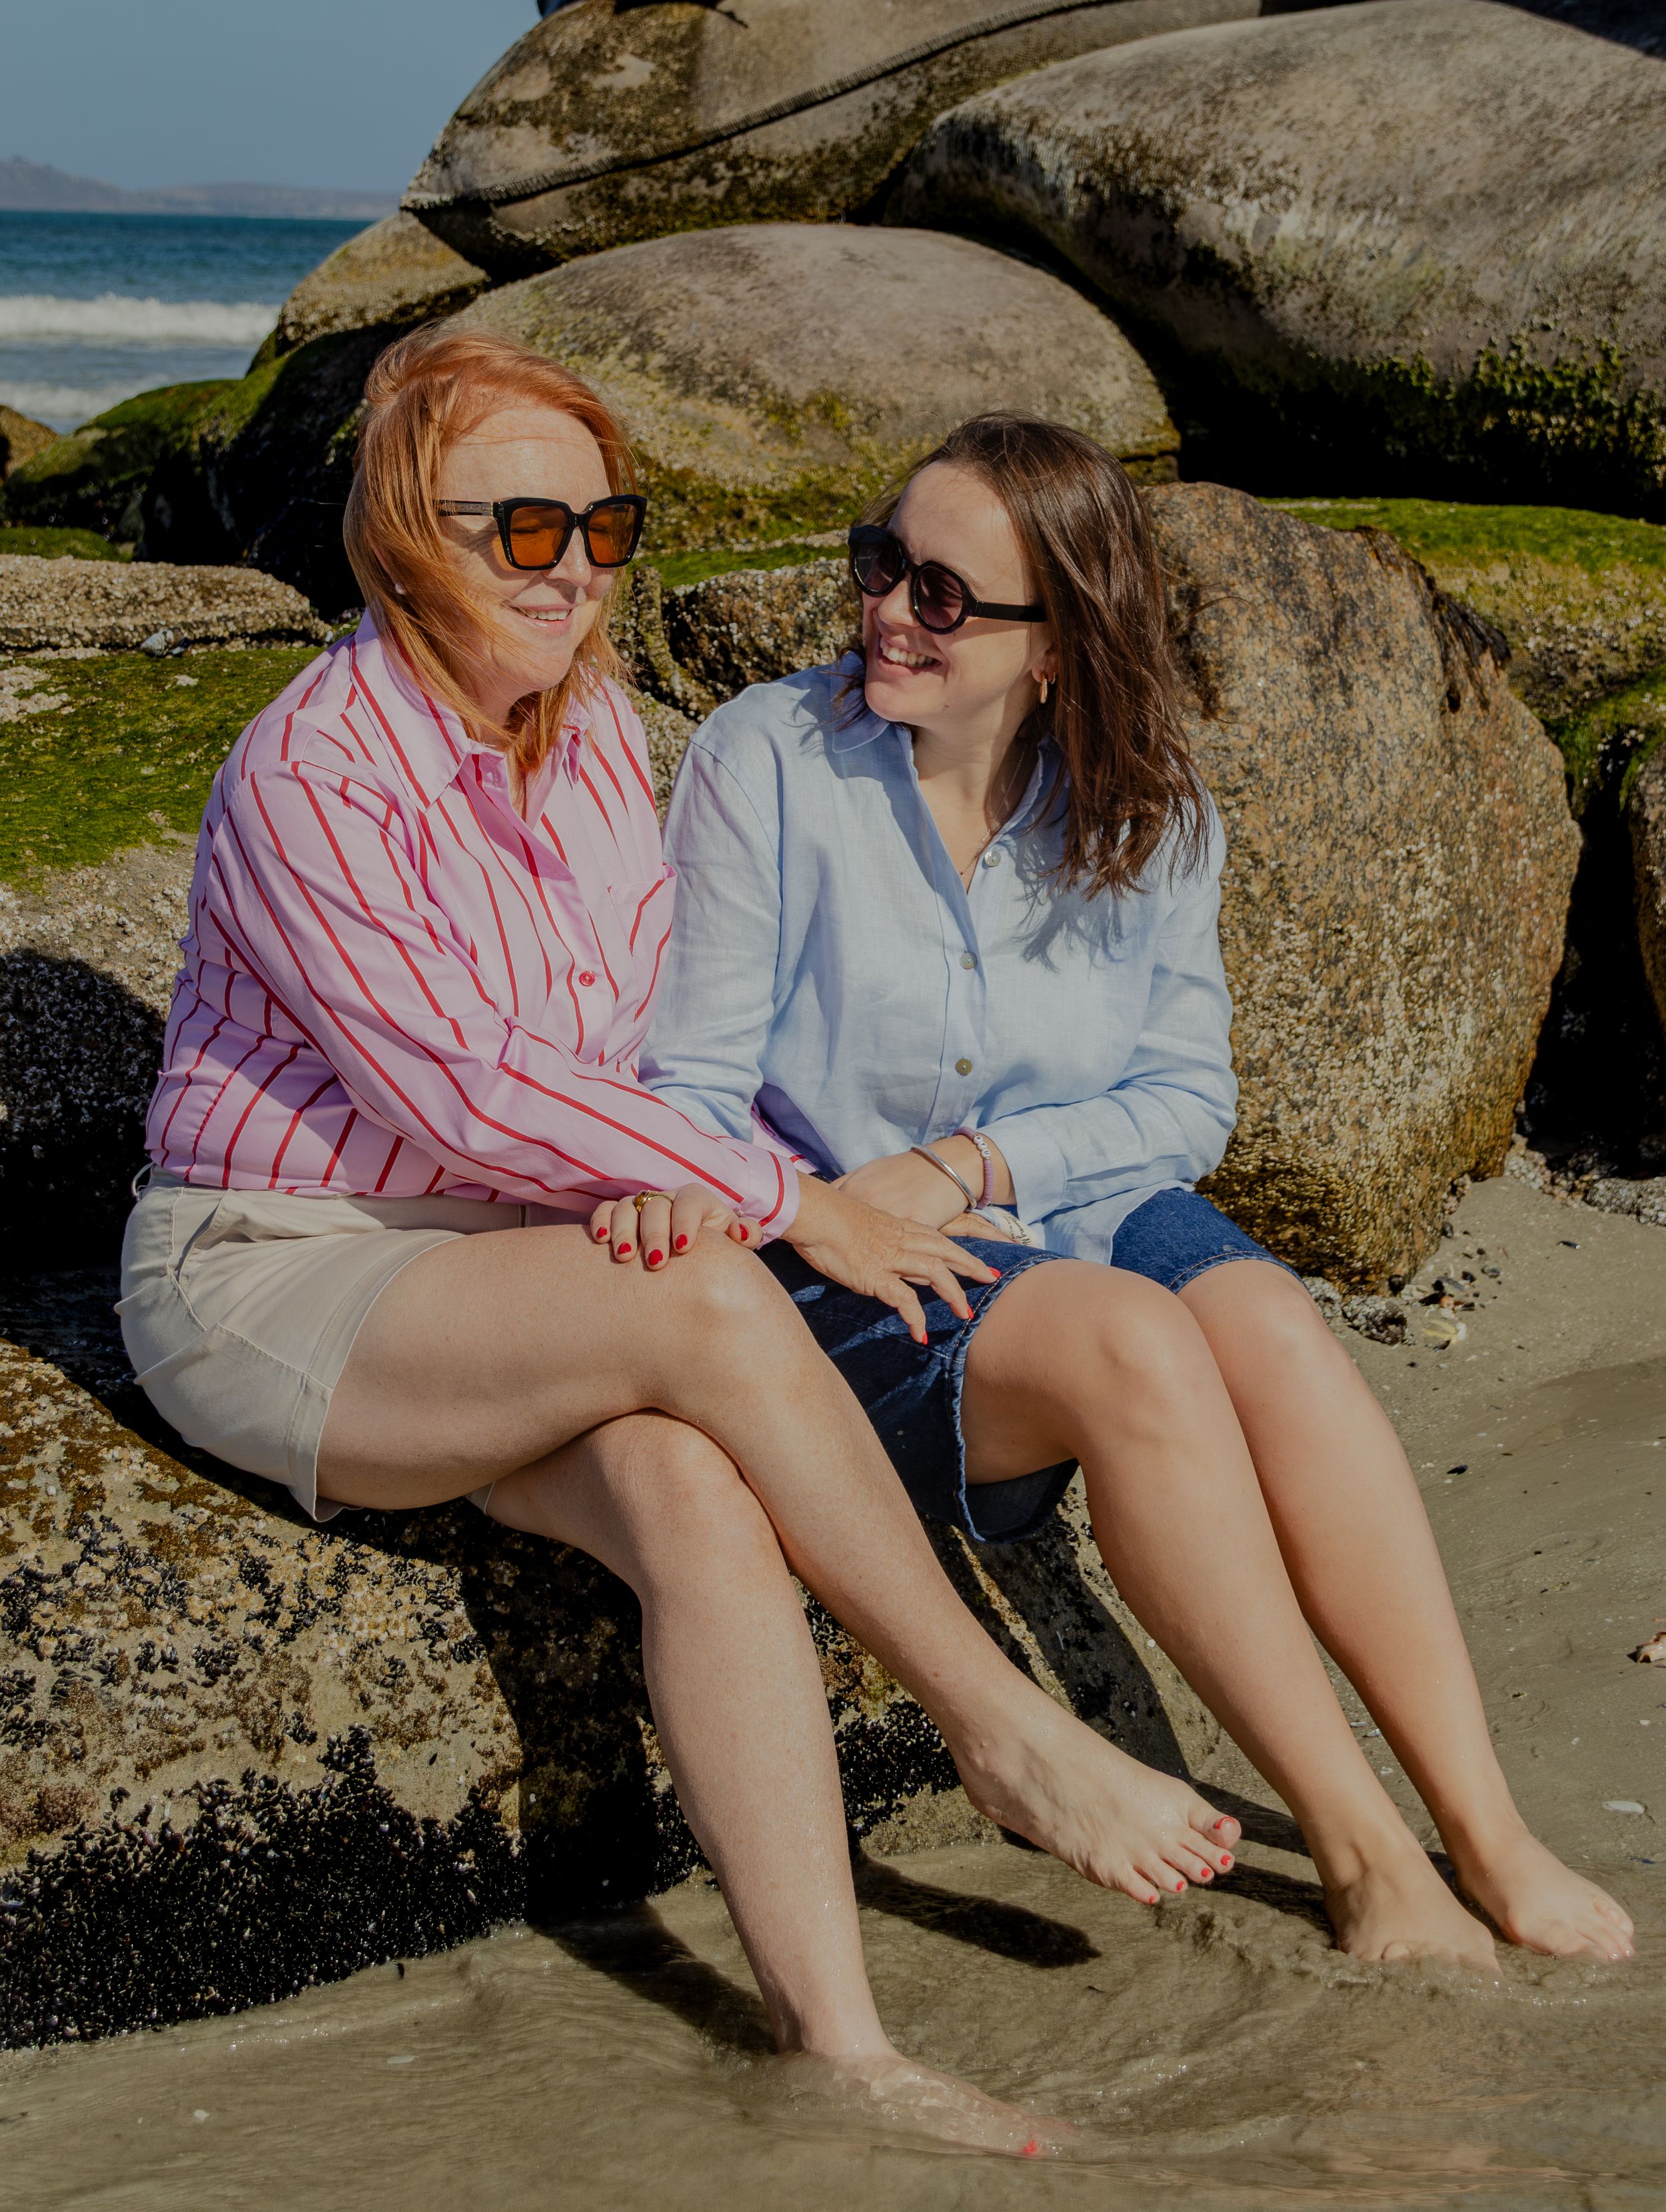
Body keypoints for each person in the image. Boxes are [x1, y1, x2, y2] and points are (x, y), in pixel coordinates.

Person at [116, 331, 1249, 2155]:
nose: (571, 563)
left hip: (516, 1268)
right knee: (724, 1295)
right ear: (405, 531)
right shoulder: (312, 767)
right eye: (521, 523)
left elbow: (647, 1058)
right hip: (287, 1266)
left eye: (605, 522)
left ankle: (840, 2043)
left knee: (700, 1503)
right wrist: (778, 1196)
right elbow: (473, 1090)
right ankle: (994, 1719)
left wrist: (675, 1164)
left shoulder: (585, 754)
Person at [645, 411, 1635, 1970]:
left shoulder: (1145, 807)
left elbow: (1186, 1103)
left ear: (1058, 646)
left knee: (1271, 1329)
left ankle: (1485, 1826)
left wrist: (978, 1162)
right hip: (840, 1266)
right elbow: (687, 1096)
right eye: (879, 563)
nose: (890, 610)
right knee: (1133, 1345)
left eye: (944, 594)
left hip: (1052, 1200)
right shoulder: (769, 760)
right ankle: (1369, 1855)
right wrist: (854, 1198)